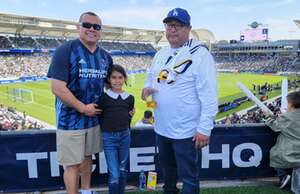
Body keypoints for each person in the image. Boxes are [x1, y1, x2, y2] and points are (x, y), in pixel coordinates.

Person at [141, 8, 218, 194]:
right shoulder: (161, 53)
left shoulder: (200, 55)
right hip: (162, 129)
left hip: (186, 132)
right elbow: (151, 77)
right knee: (168, 174)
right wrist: (146, 88)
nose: (172, 30)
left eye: (177, 25)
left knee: (189, 178)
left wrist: (204, 129)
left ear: (188, 28)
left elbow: (209, 95)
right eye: (169, 26)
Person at [47, 12, 113, 194]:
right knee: (72, 165)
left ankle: (86, 190)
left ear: (101, 31)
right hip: (69, 122)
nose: (92, 29)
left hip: (93, 120)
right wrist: (83, 108)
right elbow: (58, 88)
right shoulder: (65, 50)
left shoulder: (106, 57)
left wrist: (123, 107)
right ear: (78, 27)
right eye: (87, 25)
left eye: (96, 27)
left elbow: (109, 86)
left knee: (87, 158)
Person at [97, 64, 135, 194]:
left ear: (124, 79)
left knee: (123, 170)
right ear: (109, 79)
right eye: (114, 77)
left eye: (120, 77)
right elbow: (99, 116)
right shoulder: (104, 97)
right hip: (109, 138)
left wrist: (130, 116)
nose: (117, 80)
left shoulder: (130, 98)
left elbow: (128, 117)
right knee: (114, 173)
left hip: (125, 136)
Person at [265, 91, 300, 193]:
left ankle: (283, 177)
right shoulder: (287, 116)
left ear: (291, 104)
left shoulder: (287, 117)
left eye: (287, 103)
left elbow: (276, 126)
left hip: (291, 151)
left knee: (275, 154)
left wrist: (268, 117)